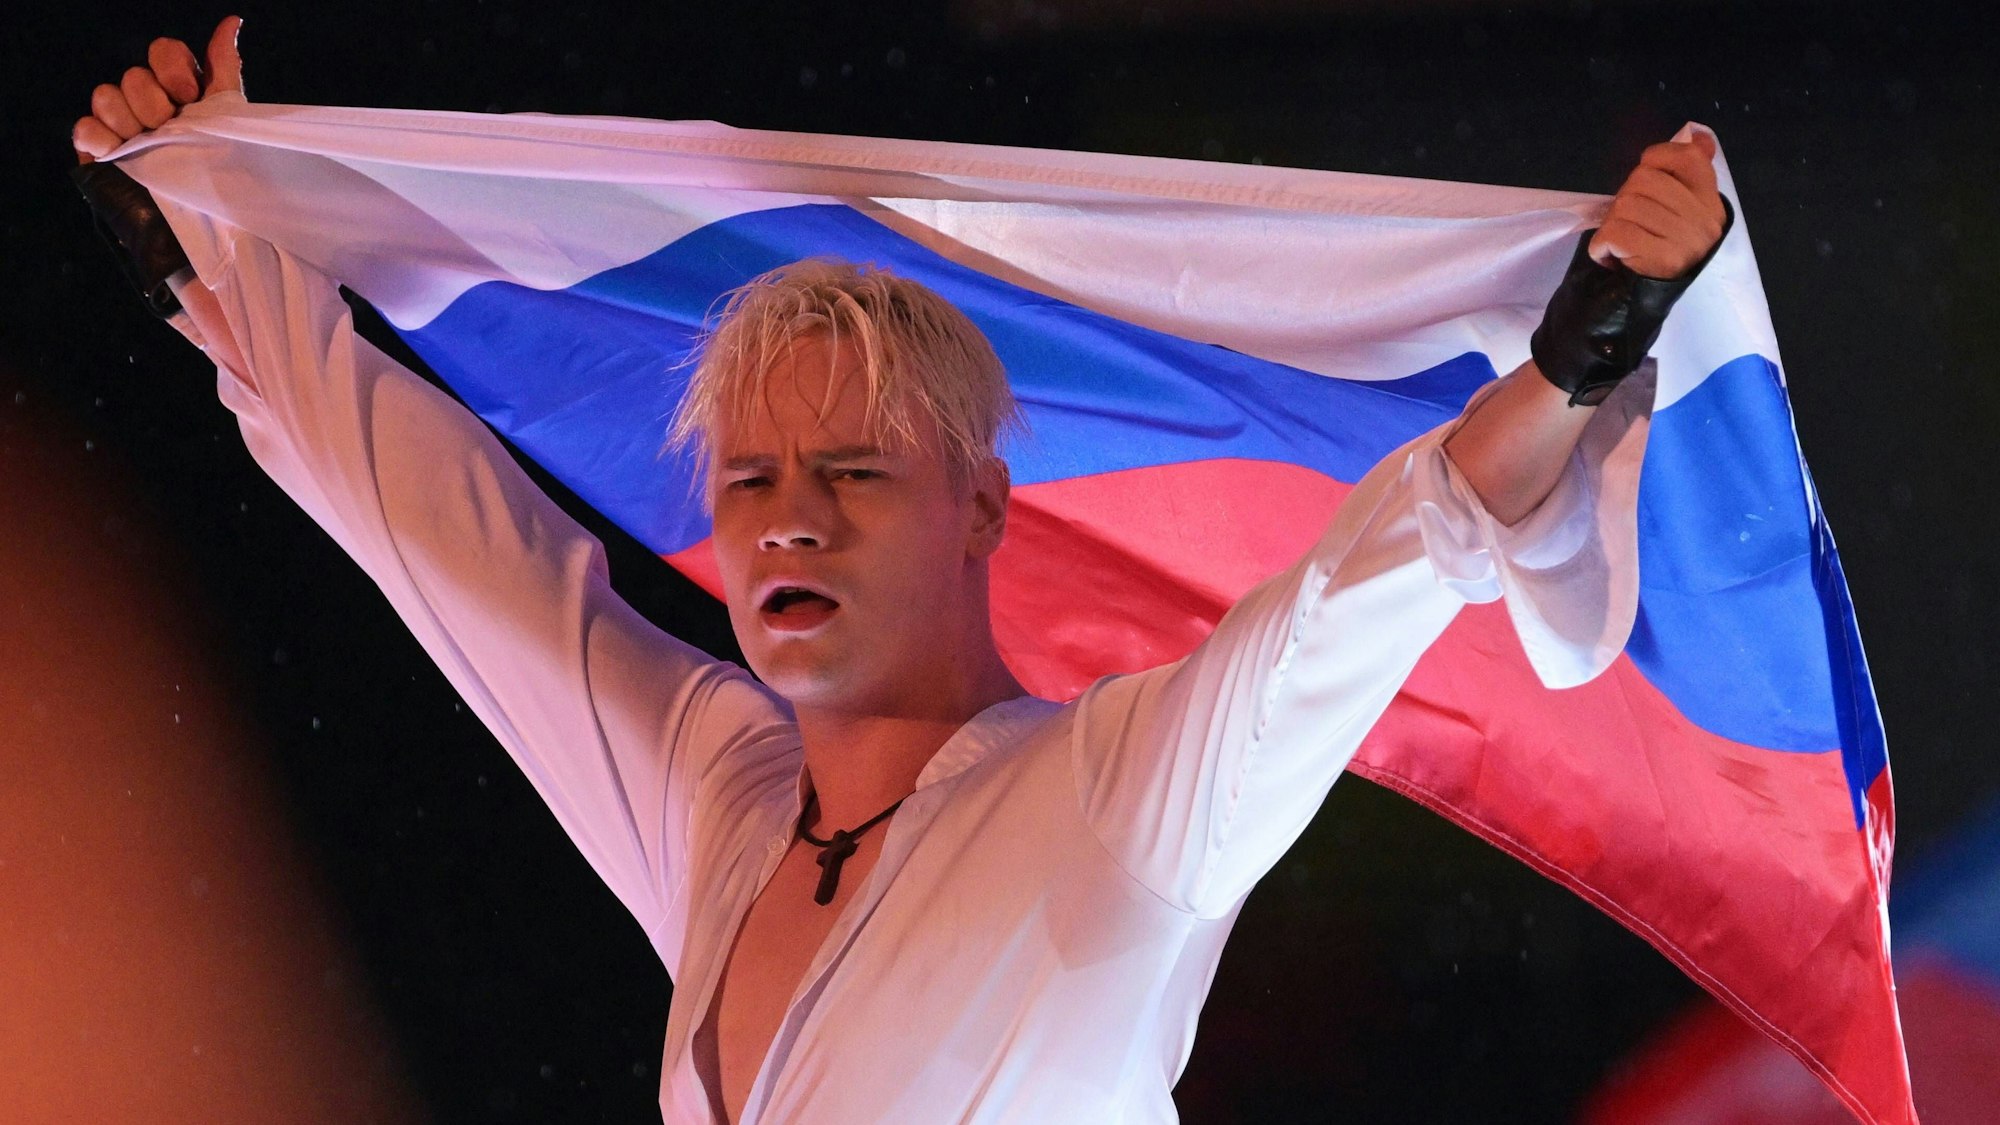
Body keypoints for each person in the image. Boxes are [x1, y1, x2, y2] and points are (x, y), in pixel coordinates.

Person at [75, 17, 1729, 1124]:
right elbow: (441, 544)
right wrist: (213, 245)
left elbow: (1359, 587)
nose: (788, 519)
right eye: (751, 482)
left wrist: (1586, 345)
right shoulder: (717, 796)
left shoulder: (1111, 798)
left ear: (983, 511)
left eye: (853, 474)